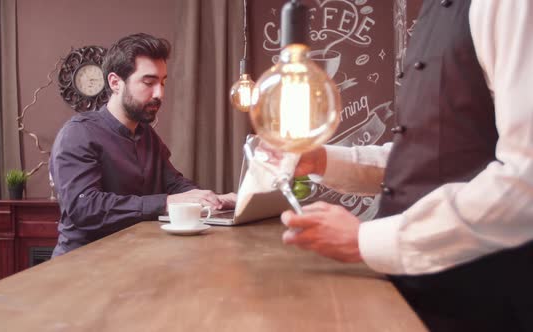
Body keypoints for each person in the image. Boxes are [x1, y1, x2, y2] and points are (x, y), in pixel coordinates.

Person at [279, 1, 533, 331]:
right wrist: (325, 160)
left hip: (479, 298)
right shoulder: (434, 11)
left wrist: (365, 241)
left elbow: (524, 179)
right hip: (414, 289)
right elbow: (432, 153)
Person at [50, 33, 235, 257]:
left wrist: (214, 200)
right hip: (80, 266)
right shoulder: (78, 133)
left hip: (131, 258)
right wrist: (166, 203)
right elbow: (86, 208)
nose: (160, 93)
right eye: (149, 83)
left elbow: (175, 185)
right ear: (115, 83)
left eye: (163, 82)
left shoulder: (147, 135)